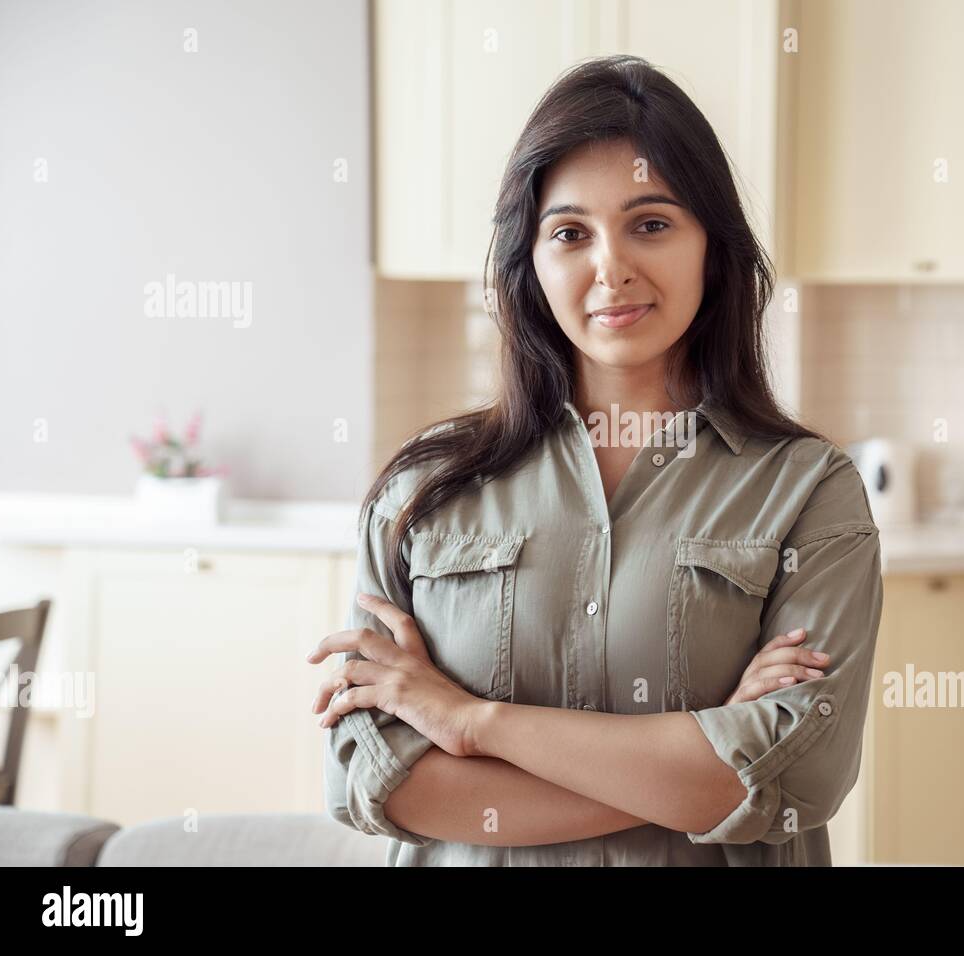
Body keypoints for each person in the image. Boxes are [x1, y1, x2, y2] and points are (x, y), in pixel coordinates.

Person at [308, 54, 883, 866]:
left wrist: (472, 725)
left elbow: (795, 782)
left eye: (651, 223)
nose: (611, 267)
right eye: (570, 233)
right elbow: (376, 783)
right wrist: (700, 755)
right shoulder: (422, 492)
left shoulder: (808, 492)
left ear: (711, 248)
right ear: (529, 263)